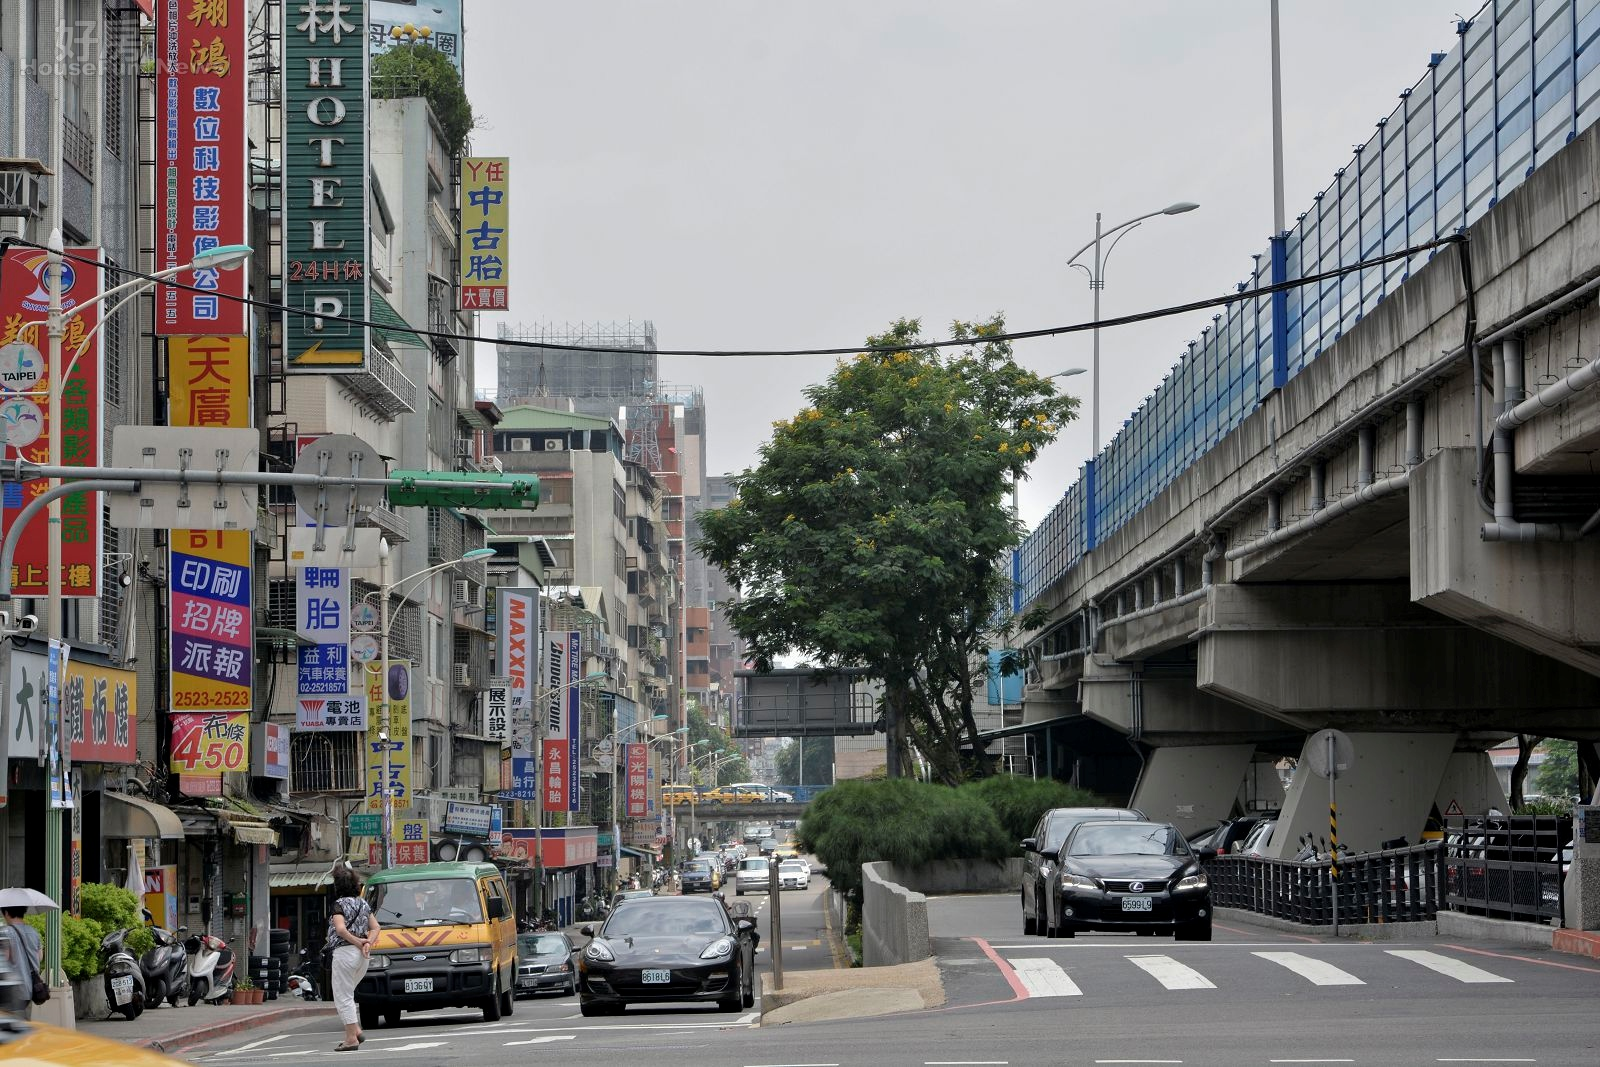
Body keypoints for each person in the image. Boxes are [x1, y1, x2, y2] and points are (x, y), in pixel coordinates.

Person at [325, 863, 379, 1051]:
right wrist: (367, 943)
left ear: (337, 886)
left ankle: (351, 1038)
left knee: (343, 996)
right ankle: (356, 1030)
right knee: (347, 993)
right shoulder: (363, 903)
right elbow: (376, 927)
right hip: (362, 957)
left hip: (345, 954)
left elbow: (340, 929)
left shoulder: (338, 905)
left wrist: (357, 942)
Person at [1, 907, 43, 1019]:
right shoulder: (33, 932)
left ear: (6, 913)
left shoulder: (6, 932)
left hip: (12, 990)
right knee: (24, 1023)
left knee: (11, 1026)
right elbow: (40, 957)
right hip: (30, 989)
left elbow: (4, 958)